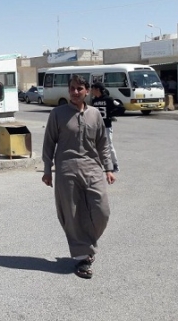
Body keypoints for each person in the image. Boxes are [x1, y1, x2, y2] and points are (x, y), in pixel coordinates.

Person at [41, 74, 116, 279]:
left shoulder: (95, 114)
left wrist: (108, 168)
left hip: (92, 168)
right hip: (67, 169)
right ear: (68, 90)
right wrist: (47, 169)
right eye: (72, 88)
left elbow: (103, 144)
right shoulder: (57, 114)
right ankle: (84, 257)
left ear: (87, 91)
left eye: (79, 89)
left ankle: (87, 244)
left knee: (101, 210)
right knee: (72, 214)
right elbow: (49, 143)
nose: (75, 92)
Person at [90, 82, 121, 173]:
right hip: (96, 127)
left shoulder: (108, 99)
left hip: (106, 126)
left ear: (98, 89)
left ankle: (115, 165)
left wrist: (111, 114)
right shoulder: (94, 101)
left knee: (109, 146)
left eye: (93, 89)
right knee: (95, 145)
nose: (92, 91)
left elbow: (120, 107)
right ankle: (97, 164)